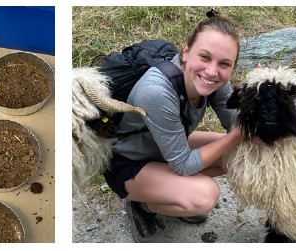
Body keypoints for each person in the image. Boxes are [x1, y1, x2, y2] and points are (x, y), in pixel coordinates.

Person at [104, 10, 247, 236]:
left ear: (232, 67)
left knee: (241, 154)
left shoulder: (217, 82)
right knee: (205, 196)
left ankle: (172, 191)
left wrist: (262, 93)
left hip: (165, 149)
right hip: (129, 162)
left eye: (224, 64)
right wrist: (237, 135)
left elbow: (236, 124)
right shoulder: (156, 92)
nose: (212, 71)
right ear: (186, 50)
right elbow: (183, 164)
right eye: (205, 57)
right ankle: (142, 205)